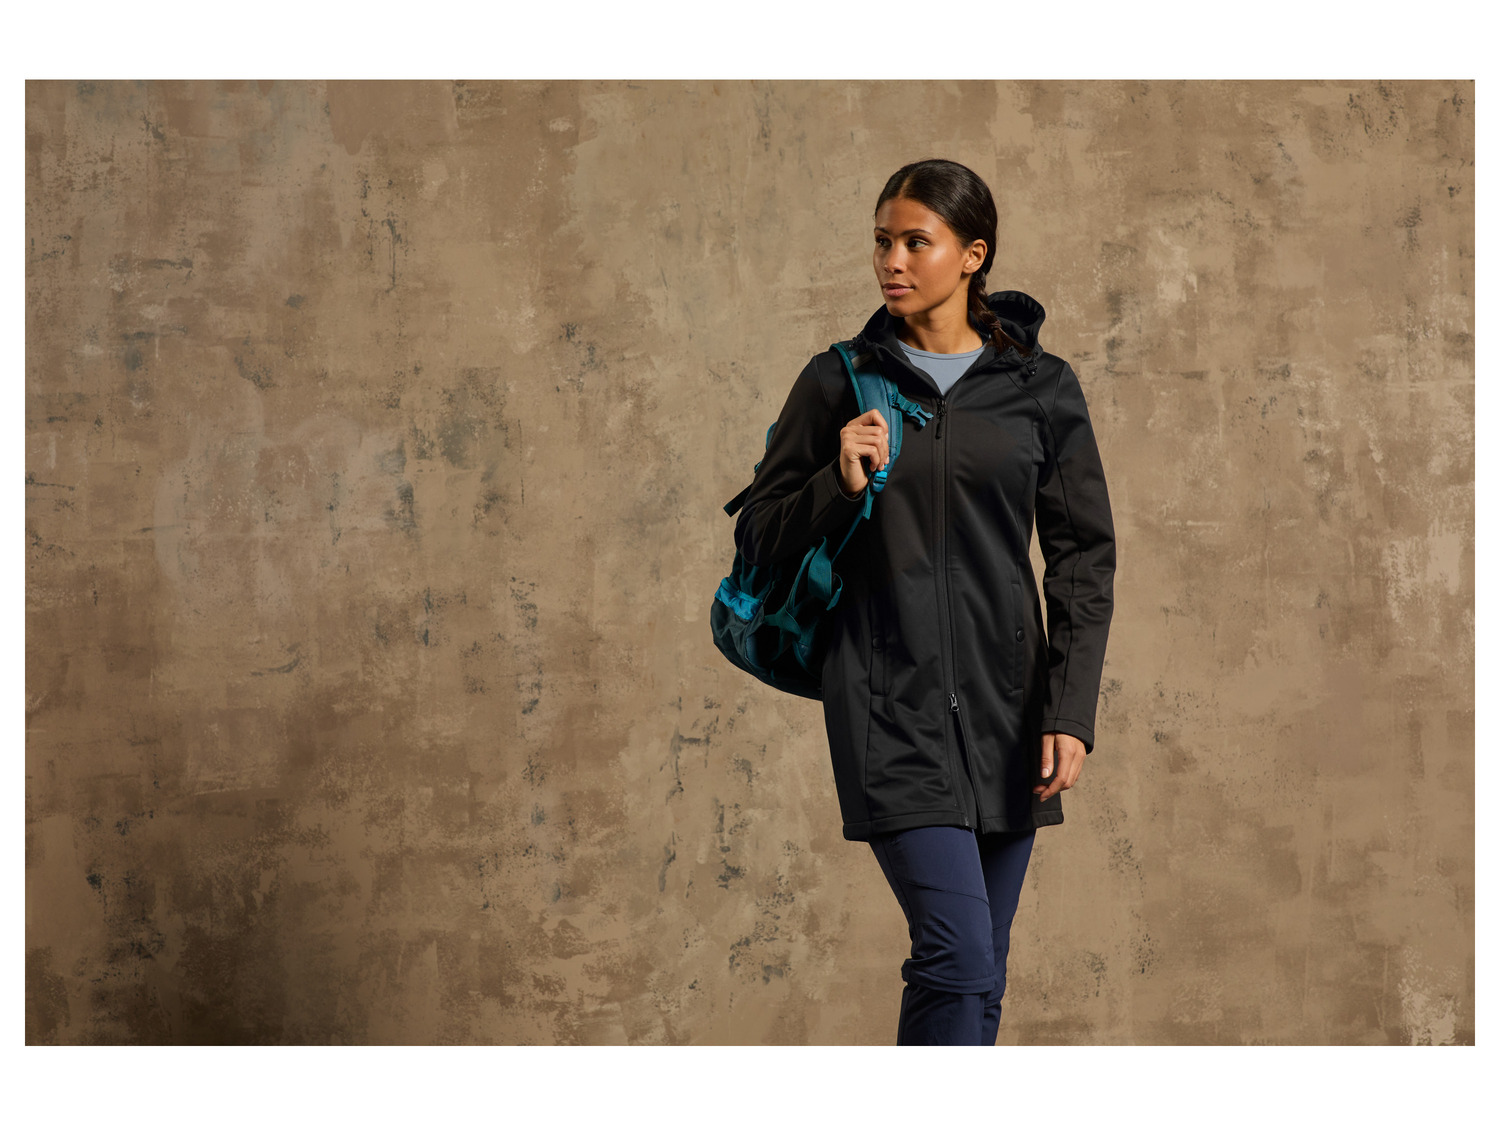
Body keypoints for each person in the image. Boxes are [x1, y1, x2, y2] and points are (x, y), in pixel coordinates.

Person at [734, 159, 1116, 1045]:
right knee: (957, 957)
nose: (891, 261)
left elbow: (1082, 558)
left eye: (916, 242)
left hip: (1008, 713)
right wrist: (835, 480)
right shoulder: (838, 380)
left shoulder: (1039, 387)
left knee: (983, 974)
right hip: (886, 706)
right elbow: (757, 536)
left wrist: (1069, 711)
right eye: (882, 242)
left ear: (973, 254)